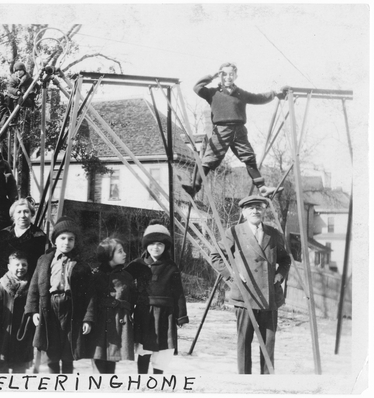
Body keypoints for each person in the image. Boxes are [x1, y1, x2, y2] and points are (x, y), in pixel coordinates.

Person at [210, 195, 291, 375]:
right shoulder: (234, 232)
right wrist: (233, 275)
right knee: (244, 342)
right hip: (245, 296)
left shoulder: (274, 234)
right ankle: (245, 383)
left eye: (259, 208)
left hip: (269, 297)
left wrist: (280, 274)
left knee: (268, 344)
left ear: (264, 211)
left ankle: (266, 385)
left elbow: (285, 260)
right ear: (244, 212)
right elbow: (215, 257)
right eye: (250, 208)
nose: (255, 211)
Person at [183, 62, 287, 198]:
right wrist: (211, 76)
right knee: (210, 157)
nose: (228, 77)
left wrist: (275, 94)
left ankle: (262, 188)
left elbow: (258, 98)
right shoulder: (213, 93)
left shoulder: (240, 93)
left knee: (249, 157)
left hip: (239, 130)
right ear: (220, 76)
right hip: (222, 130)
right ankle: (195, 186)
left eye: (231, 74)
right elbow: (197, 88)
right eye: (224, 74)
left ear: (236, 76)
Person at [24, 216, 95, 374]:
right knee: (52, 347)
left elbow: (89, 295)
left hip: (71, 308)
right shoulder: (44, 261)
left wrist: (87, 319)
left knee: (69, 348)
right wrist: (33, 311)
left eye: (71, 239)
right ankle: (53, 381)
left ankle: (67, 381)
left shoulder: (81, 265)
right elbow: (34, 287)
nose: (66, 242)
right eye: (62, 238)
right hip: (50, 307)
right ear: (55, 240)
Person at [126, 220, 189, 374]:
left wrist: (181, 316)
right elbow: (123, 283)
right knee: (144, 348)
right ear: (146, 245)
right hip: (144, 312)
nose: (156, 247)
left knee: (162, 350)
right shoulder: (137, 265)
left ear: (165, 246)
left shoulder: (171, 267)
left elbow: (178, 293)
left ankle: (157, 380)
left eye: (160, 244)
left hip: (165, 314)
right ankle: (142, 378)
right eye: (152, 243)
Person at [87, 238, 137, 374]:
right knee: (98, 359)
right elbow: (90, 301)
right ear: (109, 255)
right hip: (99, 325)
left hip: (118, 324)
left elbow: (132, 298)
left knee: (111, 361)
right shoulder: (95, 276)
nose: (125, 254)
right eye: (120, 251)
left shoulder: (127, 276)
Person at [0, 251, 35, 373]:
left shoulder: (31, 285)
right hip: (4, 333)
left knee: (19, 367)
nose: (21, 268)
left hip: (22, 332)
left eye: (24, 265)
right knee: (1, 365)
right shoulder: (2, 286)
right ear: (9, 267)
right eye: (17, 265)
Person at [0, 198, 48, 278]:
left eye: (26, 212)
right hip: (5, 281)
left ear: (31, 214)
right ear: (13, 215)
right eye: (19, 212)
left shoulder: (39, 236)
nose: (22, 215)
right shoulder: (2, 235)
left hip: (29, 280)